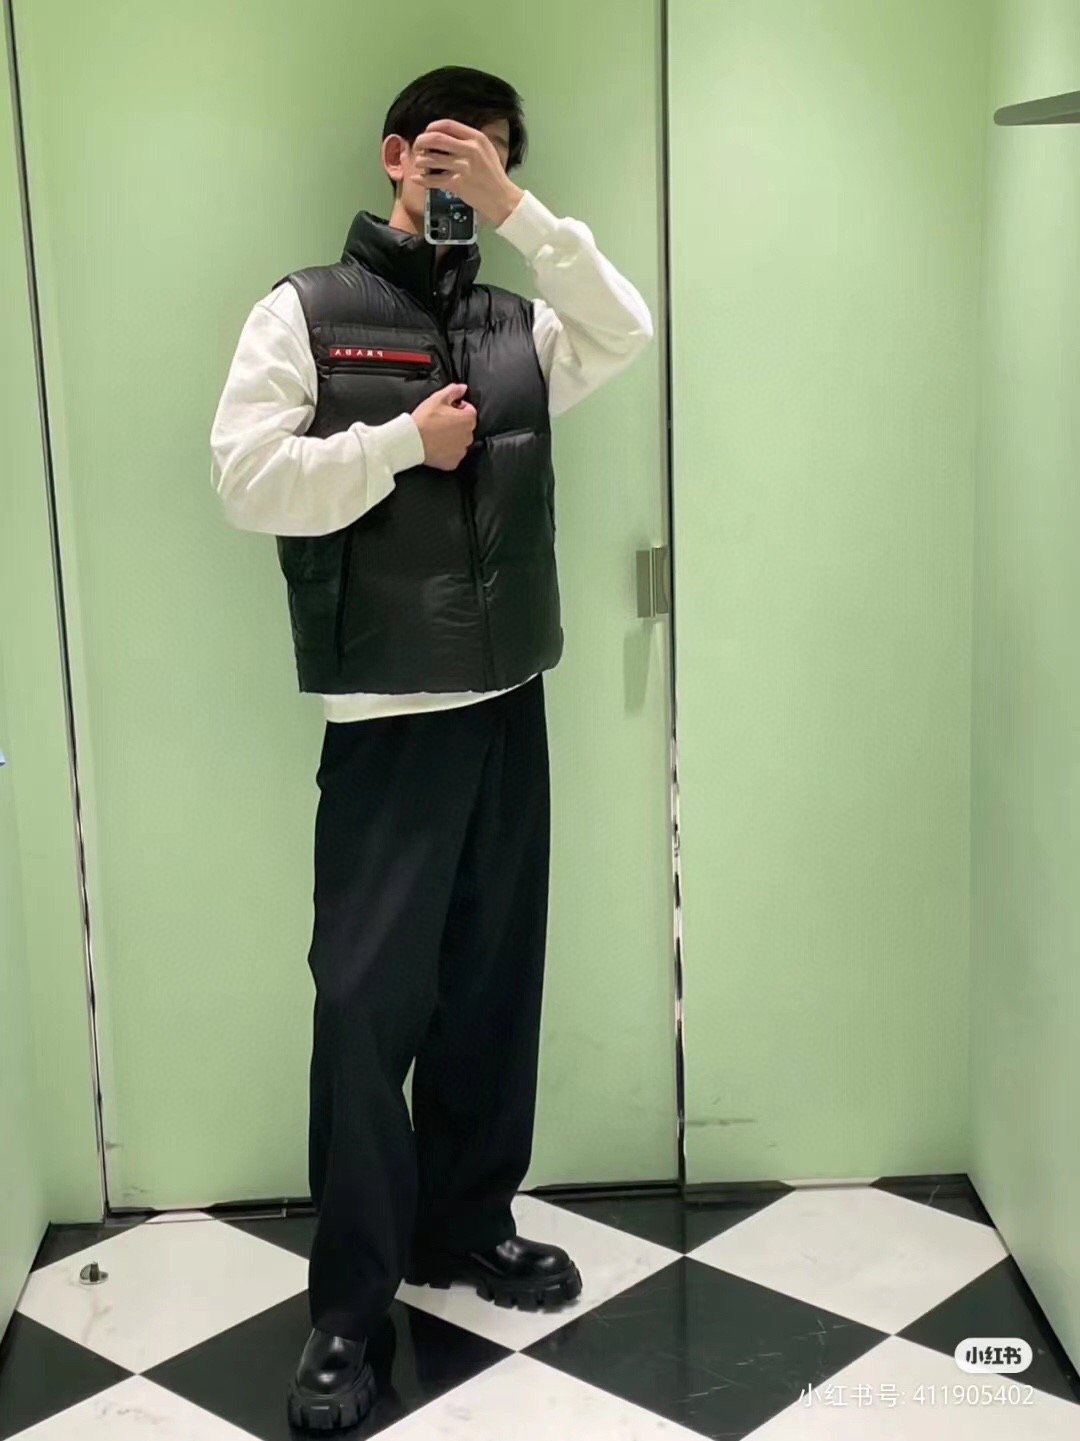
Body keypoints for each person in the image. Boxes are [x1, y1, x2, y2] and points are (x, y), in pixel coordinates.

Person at [209, 64, 653, 1431]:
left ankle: (467, 1224)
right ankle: (348, 1306)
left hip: (508, 703)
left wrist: (522, 213)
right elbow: (244, 480)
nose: (460, 176)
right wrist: (402, 442)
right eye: (446, 154)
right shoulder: (305, 311)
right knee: (363, 1014)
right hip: (388, 722)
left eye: (490, 157)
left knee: (492, 990)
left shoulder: (522, 325)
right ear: (394, 153)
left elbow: (627, 326)